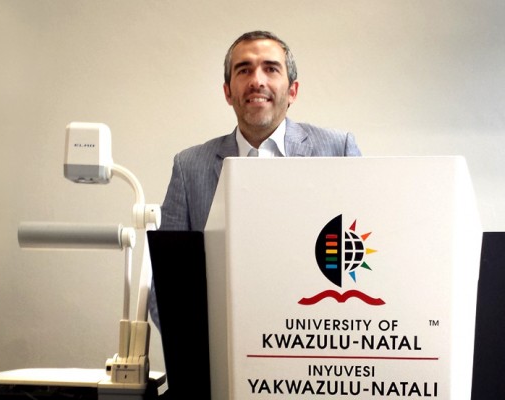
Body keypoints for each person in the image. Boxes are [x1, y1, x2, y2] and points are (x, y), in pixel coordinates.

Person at [149, 30, 361, 328]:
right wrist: (206, 349)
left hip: (316, 342)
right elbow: (166, 285)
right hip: (223, 348)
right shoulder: (189, 167)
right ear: (228, 92)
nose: (257, 80)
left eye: (271, 69)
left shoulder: (338, 150)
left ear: (293, 91)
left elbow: (364, 262)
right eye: (244, 70)